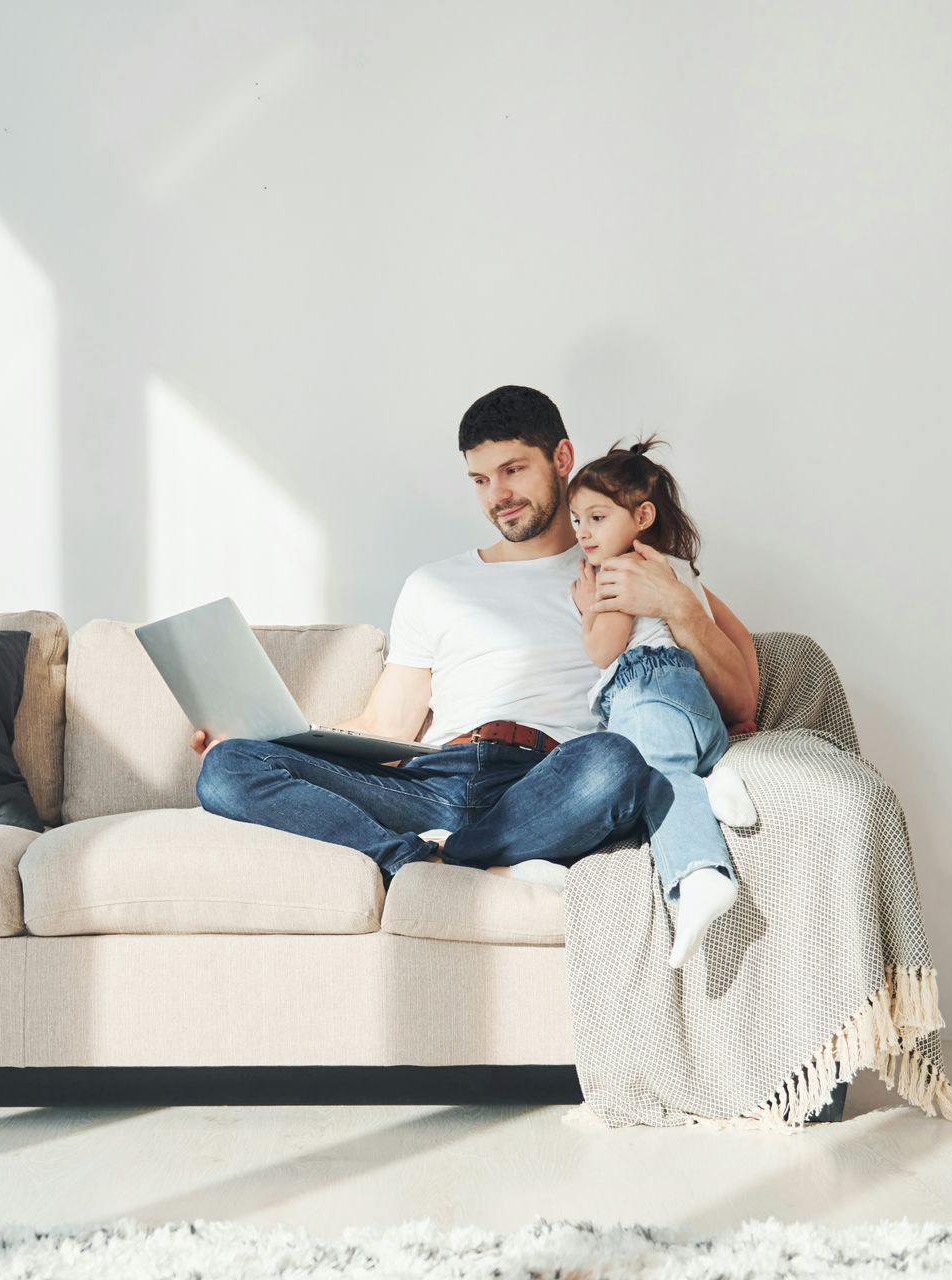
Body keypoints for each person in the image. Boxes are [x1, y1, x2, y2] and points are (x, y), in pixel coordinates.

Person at [190, 386, 761, 898]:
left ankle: (462, 854)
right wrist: (266, 735)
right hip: (431, 784)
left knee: (615, 762)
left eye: (513, 470)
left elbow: (740, 699)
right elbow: (385, 727)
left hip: (549, 783)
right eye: (481, 480)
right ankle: (412, 860)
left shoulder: (630, 565)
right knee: (225, 767)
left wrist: (678, 605)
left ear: (562, 458)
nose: (498, 495)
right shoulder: (433, 585)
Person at [564, 437, 755, 968]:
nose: (583, 532)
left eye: (597, 517)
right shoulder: (679, 568)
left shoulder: (620, 571)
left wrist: (588, 608)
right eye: (577, 520)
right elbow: (739, 641)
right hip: (700, 710)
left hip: (648, 694)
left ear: (642, 516)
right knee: (672, 765)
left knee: (653, 776)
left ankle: (700, 873)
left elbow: (604, 650)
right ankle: (710, 781)